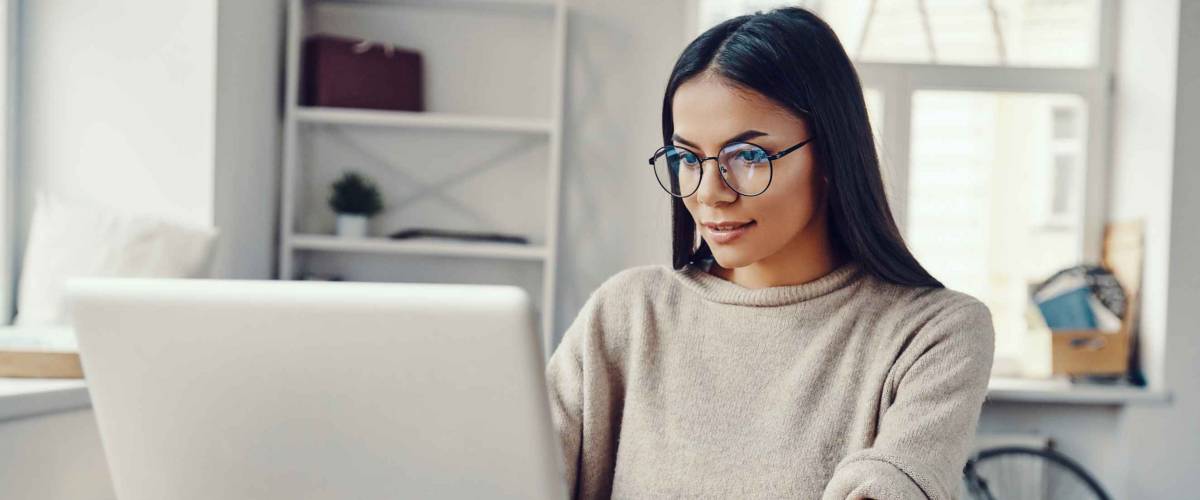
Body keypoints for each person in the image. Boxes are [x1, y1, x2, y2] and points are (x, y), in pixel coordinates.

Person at [544, 7, 994, 500]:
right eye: (687, 158)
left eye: (748, 156)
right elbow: (519, 469)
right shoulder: (626, 313)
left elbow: (890, 485)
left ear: (831, 155)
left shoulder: (933, 333)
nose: (709, 192)